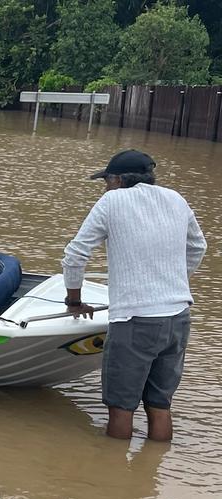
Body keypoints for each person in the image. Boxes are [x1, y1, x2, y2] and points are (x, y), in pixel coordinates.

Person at [63, 149, 206, 442]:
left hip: (135, 320)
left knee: (121, 407)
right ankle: (148, 475)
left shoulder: (112, 201)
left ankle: (114, 478)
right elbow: (198, 247)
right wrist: (174, 282)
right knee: (160, 404)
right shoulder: (176, 199)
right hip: (178, 316)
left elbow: (75, 255)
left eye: (106, 180)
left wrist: (74, 300)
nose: (105, 186)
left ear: (117, 179)